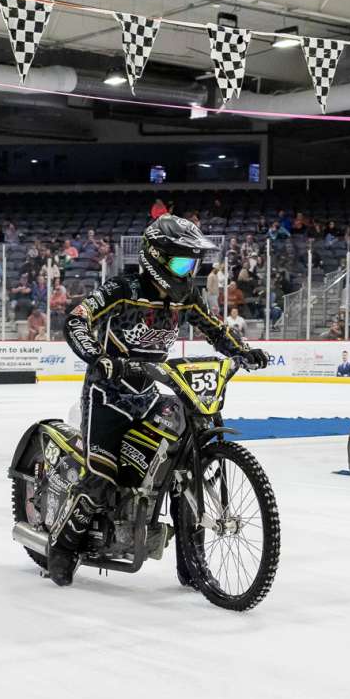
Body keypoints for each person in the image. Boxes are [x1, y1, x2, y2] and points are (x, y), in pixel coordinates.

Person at [53, 215, 268, 586]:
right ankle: (63, 547)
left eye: (194, 263)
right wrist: (99, 358)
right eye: (184, 262)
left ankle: (192, 562)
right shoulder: (124, 288)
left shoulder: (186, 296)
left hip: (150, 393)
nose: (190, 271)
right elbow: (77, 319)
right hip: (108, 395)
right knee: (101, 479)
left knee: (184, 459)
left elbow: (214, 328)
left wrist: (243, 352)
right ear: (157, 257)